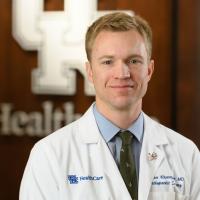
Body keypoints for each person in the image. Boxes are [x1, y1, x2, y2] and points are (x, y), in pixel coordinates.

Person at [19, 12, 200, 200]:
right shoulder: (49, 155)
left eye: (133, 61)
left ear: (149, 70)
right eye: (108, 61)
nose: (122, 73)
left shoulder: (186, 153)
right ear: (90, 72)